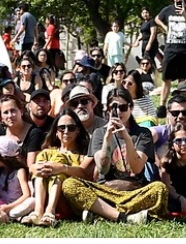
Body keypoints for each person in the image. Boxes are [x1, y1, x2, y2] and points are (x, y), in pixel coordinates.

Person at [60, 88, 166, 224]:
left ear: (130, 107)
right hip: (105, 192)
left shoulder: (143, 134)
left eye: (123, 107)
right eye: (113, 108)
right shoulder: (99, 133)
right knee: (69, 185)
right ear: (108, 110)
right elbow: (102, 168)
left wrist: (126, 138)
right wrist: (107, 138)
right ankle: (125, 216)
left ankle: (102, 213)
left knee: (159, 189)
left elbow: (137, 168)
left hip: (134, 192)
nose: (118, 112)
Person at [25, 109, 90, 226]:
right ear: (56, 131)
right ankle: (38, 212)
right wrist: (34, 168)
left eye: (71, 128)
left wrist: (62, 168)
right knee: (42, 170)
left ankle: (50, 212)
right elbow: (33, 169)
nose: (66, 131)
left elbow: (85, 174)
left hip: (70, 202)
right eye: (62, 128)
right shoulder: (47, 153)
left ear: (78, 131)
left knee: (58, 170)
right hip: (45, 196)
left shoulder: (84, 155)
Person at [155, 0, 186, 117]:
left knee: (182, 80)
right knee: (166, 78)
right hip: (170, 49)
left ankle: (181, 104)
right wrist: (165, 28)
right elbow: (157, 19)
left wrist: (184, 15)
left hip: (184, 50)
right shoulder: (167, 10)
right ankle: (162, 106)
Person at [0, 135, 35, 221]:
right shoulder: (0, 171)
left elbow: (26, 195)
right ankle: (2, 213)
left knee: (31, 202)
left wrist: (7, 207)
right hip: (2, 203)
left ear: (3, 157)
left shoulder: (19, 171)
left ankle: (9, 214)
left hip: (15, 205)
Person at [137, 8, 159, 72]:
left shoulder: (152, 21)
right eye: (143, 13)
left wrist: (149, 44)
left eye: (146, 12)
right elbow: (143, 34)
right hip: (144, 43)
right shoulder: (143, 23)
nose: (145, 14)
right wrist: (137, 40)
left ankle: (154, 73)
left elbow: (153, 33)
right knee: (145, 60)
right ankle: (148, 74)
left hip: (151, 43)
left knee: (149, 59)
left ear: (149, 13)